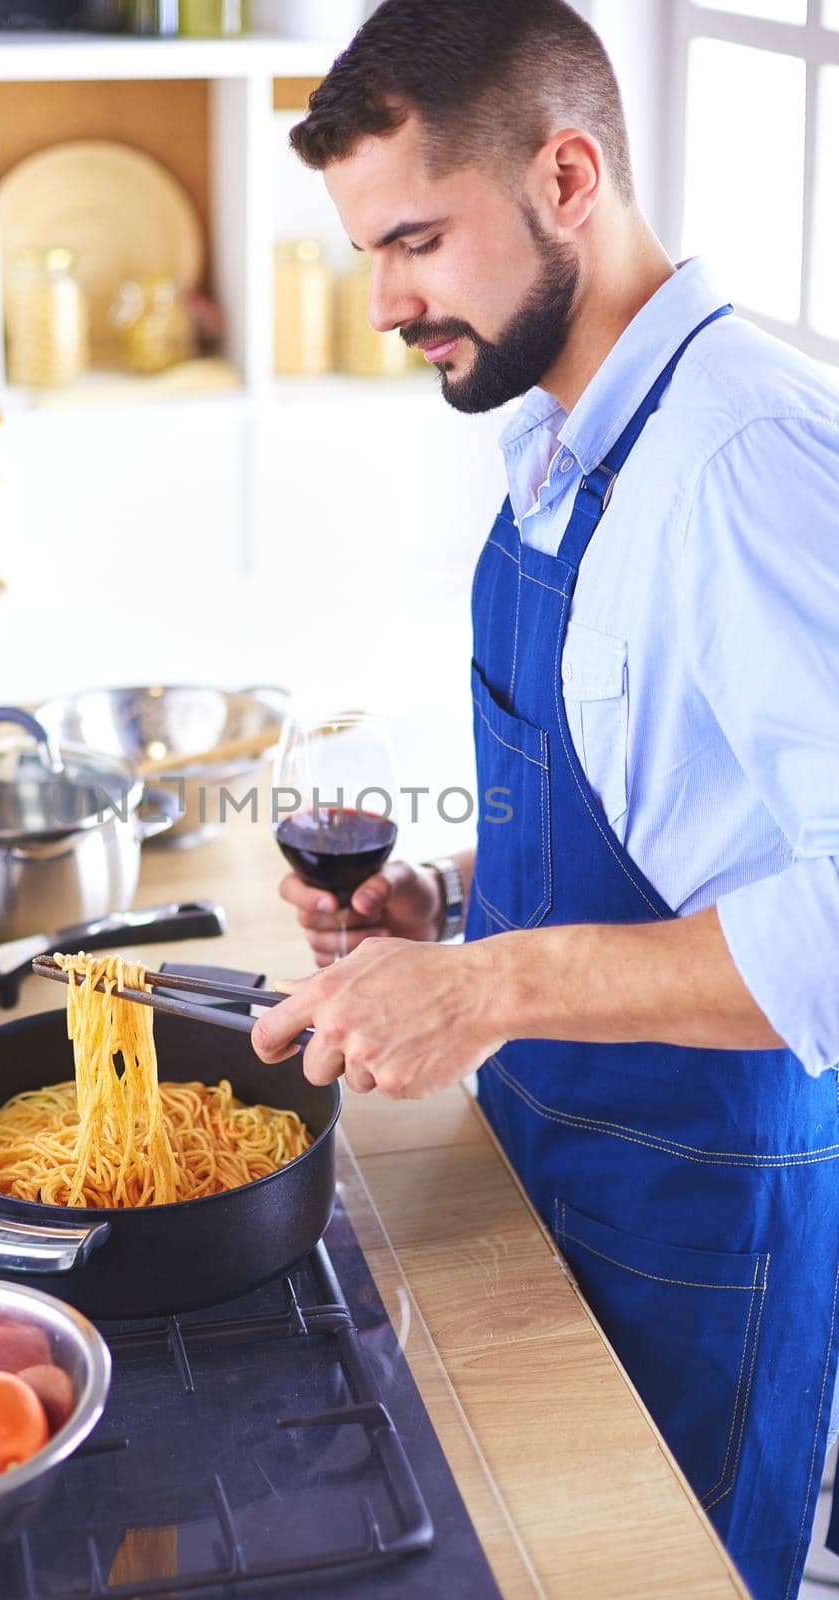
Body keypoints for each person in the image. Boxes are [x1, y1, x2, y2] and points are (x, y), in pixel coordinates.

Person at [250, 3, 839, 1595]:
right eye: (370, 251)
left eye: (417, 241)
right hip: (545, 1166)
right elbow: (674, 802)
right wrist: (447, 906)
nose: (384, 302)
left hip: (697, 1218)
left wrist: (490, 983)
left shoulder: (743, 463)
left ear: (566, 174)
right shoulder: (565, 432)